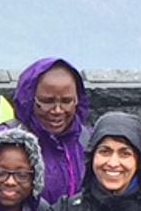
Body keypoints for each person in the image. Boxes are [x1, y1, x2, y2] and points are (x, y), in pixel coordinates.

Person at [10, 58, 90, 200]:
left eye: (66, 101)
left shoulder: (90, 142)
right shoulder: (5, 143)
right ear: (28, 99)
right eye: (47, 101)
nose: (57, 110)